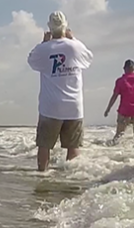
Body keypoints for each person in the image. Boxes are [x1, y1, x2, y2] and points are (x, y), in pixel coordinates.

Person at [27, 11, 93, 172]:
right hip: (74, 106)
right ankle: (71, 180)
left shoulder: (45, 49)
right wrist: (74, 39)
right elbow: (89, 58)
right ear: (65, 26)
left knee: (44, 145)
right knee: (73, 146)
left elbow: (31, 60)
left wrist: (43, 43)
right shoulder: (75, 46)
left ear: (49, 27)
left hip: (50, 106)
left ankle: (42, 176)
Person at [107, 60, 134, 142]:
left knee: (118, 135)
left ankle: (112, 150)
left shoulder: (120, 81)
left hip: (124, 111)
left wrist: (108, 109)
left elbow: (114, 96)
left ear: (124, 68)